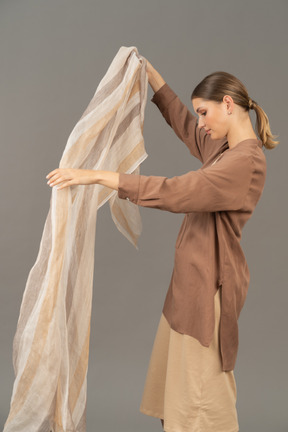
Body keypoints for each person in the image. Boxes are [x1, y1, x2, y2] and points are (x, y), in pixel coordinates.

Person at [46, 60, 279, 432]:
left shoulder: (244, 162)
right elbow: (186, 127)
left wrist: (96, 176)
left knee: (201, 407)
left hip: (208, 291)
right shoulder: (223, 151)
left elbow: (178, 191)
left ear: (229, 105)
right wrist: (152, 77)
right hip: (187, 289)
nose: (200, 121)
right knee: (181, 403)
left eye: (205, 111)